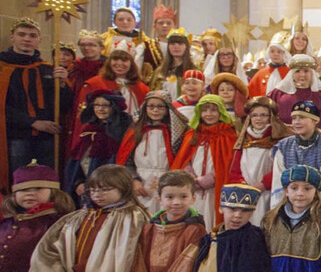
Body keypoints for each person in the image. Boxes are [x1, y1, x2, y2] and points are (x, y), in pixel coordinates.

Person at [0, 18, 71, 189]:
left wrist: (63, 85)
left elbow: (65, 106)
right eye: (22, 34)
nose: (27, 39)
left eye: (32, 36)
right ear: (12, 37)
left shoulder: (48, 69)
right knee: (19, 182)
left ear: (39, 40)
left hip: (47, 137)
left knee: (47, 182)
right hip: (15, 136)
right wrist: (33, 122)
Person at [171, 95, 238, 230]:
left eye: (213, 110)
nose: (208, 114)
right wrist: (188, 176)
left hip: (214, 190)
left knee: (210, 223)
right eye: (205, 110)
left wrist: (211, 178)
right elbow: (184, 158)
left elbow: (229, 163)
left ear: (221, 112)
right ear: (199, 113)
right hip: (191, 189)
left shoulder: (228, 135)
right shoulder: (192, 133)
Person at [117, 92, 187, 215]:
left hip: (167, 180)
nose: (155, 110)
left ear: (168, 109)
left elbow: (181, 157)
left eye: (160, 107)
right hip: (140, 182)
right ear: (145, 108)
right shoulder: (136, 131)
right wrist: (134, 180)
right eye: (151, 106)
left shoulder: (175, 133)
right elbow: (126, 159)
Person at [228, 96, 290, 226]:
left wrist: (263, 184)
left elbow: (282, 168)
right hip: (245, 193)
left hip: (268, 193)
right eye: (255, 115)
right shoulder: (244, 140)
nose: (258, 119)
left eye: (263, 115)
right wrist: (243, 185)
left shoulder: (278, 140)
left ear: (270, 117)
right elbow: (234, 169)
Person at [64, 90, 132, 203]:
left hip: (111, 185)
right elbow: (77, 160)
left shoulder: (122, 130)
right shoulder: (89, 130)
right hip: (87, 186)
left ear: (114, 107)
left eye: (105, 105)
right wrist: (78, 182)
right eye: (97, 105)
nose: (100, 109)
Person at [270, 101, 321, 205]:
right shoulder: (283, 146)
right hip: (289, 203)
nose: (297, 122)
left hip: (318, 204)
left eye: (302, 118)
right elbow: (278, 182)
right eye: (294, 118)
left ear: (314, 121)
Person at [74, 48, 149, 134]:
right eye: (115, 59)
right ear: (109, 62)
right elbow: (84, 115)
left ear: (131, 63)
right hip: (103, 135)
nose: (119, 63)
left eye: (124, 60)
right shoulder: (94, 84)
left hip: (132, 135)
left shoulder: (142, 89)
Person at [269, 54, 321, 131]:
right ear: (292, 74)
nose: (302, 75)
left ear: (312, 74)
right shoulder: (278, 94)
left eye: (306, 71)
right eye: (297, 71)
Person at [150, 28, 198, 103]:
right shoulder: (160, 71)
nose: (176, 46)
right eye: (172, 44)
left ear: (186, 47)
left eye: (180, 43)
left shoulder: (194, 71)